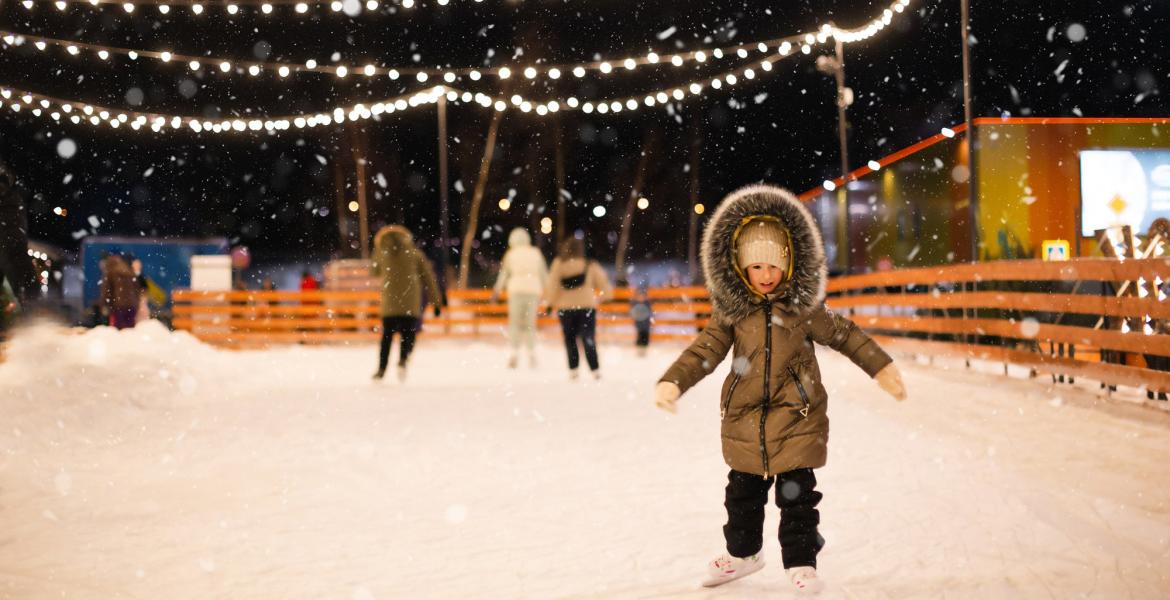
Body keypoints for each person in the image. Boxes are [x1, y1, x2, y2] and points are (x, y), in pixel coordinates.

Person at [652, 185, 907, 593]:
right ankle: (743, 555)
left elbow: (844, 334)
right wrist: (674, 381)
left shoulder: (803, 308)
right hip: (745, 418)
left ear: (789, 263)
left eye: (774, 266)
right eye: (757, 268)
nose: (767, 275)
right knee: (741, 497)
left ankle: (802, 565)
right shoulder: (731, 311)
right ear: (739, 268)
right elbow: (707, 349)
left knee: (798, 499)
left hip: (797, 415)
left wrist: (881, 366)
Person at [371, 225, 444, 382]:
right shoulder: (414, 253)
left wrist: (378, 248)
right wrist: (436, 302)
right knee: (408, 334)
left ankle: (381, 370)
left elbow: (374, 271)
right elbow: (429, 278)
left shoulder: (383, 253)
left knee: (386, 337)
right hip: (410, 301)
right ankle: (403, 360)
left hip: (390, 302)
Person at [545, 237, 612, 379]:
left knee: (570, 339)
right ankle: (595, 369)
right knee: (588, 337)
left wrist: (550, 303)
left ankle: (573, 370)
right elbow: (604, 282)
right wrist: (605, 297)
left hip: (565, 307)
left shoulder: (559, 264)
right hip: (587, 306)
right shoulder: (589, 264)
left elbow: (552, 286)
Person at [491, 228, 549, 368]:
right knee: (530, 323)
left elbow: (504, 274)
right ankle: (531, 353)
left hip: (516, 290)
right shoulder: (535, 253)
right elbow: (543, 274)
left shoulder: (511, 254)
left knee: (515, 323)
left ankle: (514, 353)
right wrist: (548, 291)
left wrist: (497, 291)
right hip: (533, 290)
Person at [99, 254, 141, 330]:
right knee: (130, 330)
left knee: (118, 331)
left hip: (118, 306)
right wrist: (136, 303)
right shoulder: (129, 270)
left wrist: (104, 304)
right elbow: (137, 289)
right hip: (131, 305)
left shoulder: (110, 272)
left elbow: (106, 290)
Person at [630, 285, 653, 356]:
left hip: (646, 324)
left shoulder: (647, 303)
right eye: (639, 295)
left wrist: (650, 318)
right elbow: (633, 312)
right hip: (639, 324)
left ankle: (645, 350)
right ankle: (639, 350)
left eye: (643, 296)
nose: (641, 297)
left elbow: (650, 312)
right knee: (639, 336)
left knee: (646, 336)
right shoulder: (635, 303)